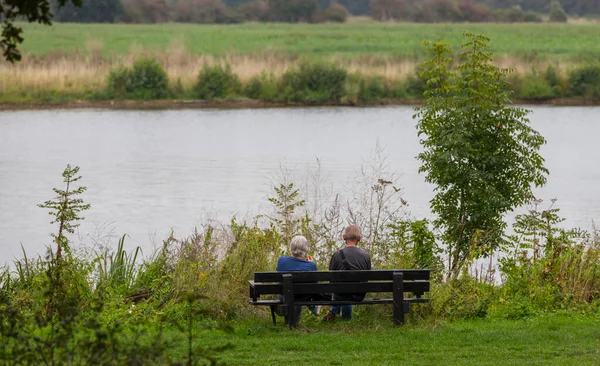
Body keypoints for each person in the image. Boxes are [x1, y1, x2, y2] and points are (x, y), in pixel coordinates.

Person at [322, 225, 371, 321]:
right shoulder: (365, 255)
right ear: (359, 238)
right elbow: (367, 277)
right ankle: (345, 319)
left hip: (340, 293)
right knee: (346, 290)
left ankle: (336, 313)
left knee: (342, 291)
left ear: (344, 237)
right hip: (358, 294)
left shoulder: (336, 255)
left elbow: (331, 278)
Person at [276, 235, 320, 326]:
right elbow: (316, 285)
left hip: (283, 295)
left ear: (291, 247)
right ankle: (314, 308)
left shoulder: (281, 260)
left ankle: (291, 323)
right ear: (305, 249)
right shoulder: (310, 265)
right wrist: (311, 263)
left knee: (290, 291)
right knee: (302, 291)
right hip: (302, 296)